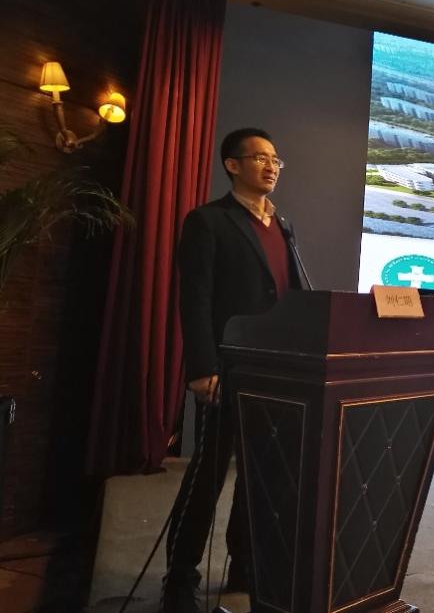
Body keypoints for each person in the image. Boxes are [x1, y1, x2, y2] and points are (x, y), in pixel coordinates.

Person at [163, 128, 308, 613]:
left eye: (276, 160)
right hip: (226, 370)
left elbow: (290, 297)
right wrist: (202, 367)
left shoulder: (282, 225)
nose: (271, 166)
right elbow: (195, 299)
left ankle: (244, 563)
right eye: (260, 158)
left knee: (260, 476)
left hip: (276, 372)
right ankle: (179, 579)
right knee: (206, 477)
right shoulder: (208, 221)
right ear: (232, 164)